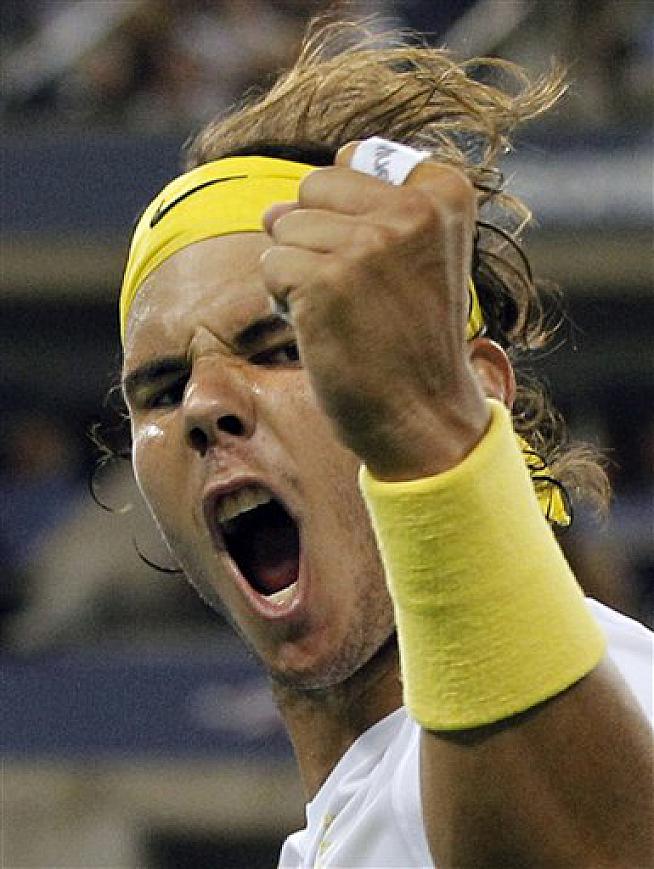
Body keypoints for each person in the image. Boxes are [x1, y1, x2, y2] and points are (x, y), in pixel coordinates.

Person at [115, 21, 653, 867]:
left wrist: (431, 434)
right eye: (160, 388)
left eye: (280, 347)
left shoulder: (610, 681)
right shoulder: (336, 827)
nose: (203, 404)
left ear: (477, 386)